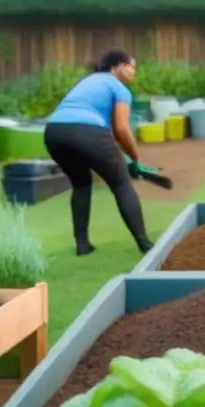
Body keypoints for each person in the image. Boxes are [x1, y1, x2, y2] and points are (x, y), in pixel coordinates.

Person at [44, 49, 153, 256]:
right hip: (86, 131)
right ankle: (145, 243)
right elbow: (121, 129)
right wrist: (135, 158)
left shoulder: (89, 81)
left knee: (81, 184)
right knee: (121, 183)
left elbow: (108, 131)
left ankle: (82, 245)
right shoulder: (119, 88)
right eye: (132, 67)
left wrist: (123, 154)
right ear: (118, 67)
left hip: (54, 132)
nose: (133, 72)